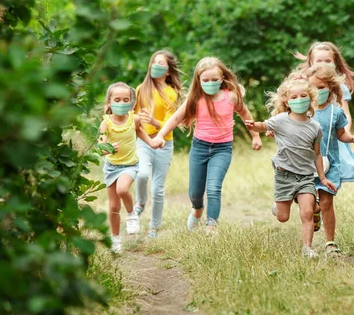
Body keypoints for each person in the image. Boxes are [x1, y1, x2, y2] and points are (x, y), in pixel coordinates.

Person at [152, 57, 262, 234]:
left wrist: (255, 136)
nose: (210, 83)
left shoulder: (231, 97)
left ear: (222, 79)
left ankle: (211, 226)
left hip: (222, 149)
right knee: (195, 193)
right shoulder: (195, 99)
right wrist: (160, 135)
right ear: (199, 81)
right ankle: (197, 210)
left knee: (213, 188)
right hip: (200, 148)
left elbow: (245, 114)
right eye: (205, 80)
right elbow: (176, 118)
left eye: (214, 80)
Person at [244, 77, 338, 259]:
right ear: (286, 101)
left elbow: (317, 155)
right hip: (284, 175)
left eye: (303, 95)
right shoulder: (280, 120)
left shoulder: (315, 127)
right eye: (294, 97)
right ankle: (281, 202)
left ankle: (307, 248)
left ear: (310, 99)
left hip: (305, 177)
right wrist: (253, 126)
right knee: (282, 217)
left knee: (307, 213)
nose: (299, 99)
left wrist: (323, 178)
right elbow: (263, 126)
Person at [305, 63, 354, 256]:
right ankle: (314, 212)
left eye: (321, 87)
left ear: (330, 88)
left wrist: (350, 137)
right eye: (312, 87)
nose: (317, 91)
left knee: (327, 202)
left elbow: (340, 135)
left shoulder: (335, 112)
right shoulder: (302, 111)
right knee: (309, 201)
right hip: (305, 165)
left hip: (329, 164)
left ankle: (330, 242)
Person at [295, 41, 354, 182]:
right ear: (311, 62)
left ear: (335, 63)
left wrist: (344, 131)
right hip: (308, 136)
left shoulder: (339, 87)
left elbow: (345, 113)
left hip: (331, 135)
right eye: (319, 61)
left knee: (329, 169)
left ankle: (325, 195)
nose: (323, 64)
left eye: (328, 61)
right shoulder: (303, 85)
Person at [98, 82, 156, 253]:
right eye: (117, 99)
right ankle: (116, 239)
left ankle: (132, 214)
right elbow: (100, 146)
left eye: (126, 100)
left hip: (130, 165)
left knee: (122, 190)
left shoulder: (134, 119)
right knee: (114, 207)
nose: (121, 103)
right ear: (109, 102)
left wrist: (152, 142)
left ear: (131, 102)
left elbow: (139, 132)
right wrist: (107, 148)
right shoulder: (106, 123)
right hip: (111, 167)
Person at [134, 50, 182, 238]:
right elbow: (134, 116)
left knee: (158, 189)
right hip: (144, 141)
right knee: (142, 174)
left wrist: (155, 122)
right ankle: (141, 202)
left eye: (161, 63)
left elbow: (171, 124)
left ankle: (154, 227)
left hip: (164, 144)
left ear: (168, 71)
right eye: (154, 62)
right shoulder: (140, 89)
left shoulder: (172, 93)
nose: (156, 66)